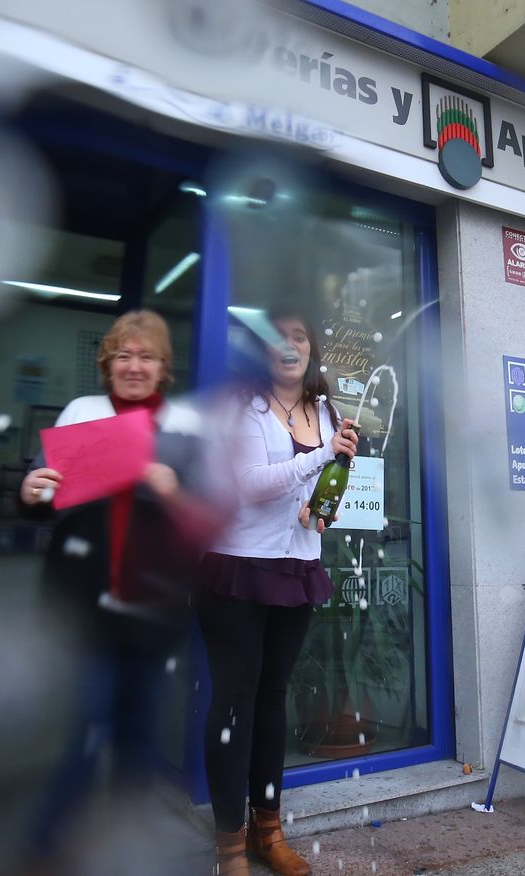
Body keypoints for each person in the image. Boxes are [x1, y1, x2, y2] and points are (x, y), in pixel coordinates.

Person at [15, 309, 207, 874]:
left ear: (163, 367)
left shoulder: (186, 425)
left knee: (138, 742)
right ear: (107, 363)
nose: (134, 365)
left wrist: (175, 492)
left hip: (151, 612)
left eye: (146, 356)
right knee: (84, 731)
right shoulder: (84, 412)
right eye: (123, 355)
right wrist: (29, 488)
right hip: (85, 609)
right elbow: (40, 491)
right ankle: (46, 849)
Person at [200, 310, 358, 876]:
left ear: (311, 351)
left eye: (300, 336)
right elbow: (250, 485)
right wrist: (318, 456)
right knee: (235, 702)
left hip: (296, 567)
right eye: (278, 337)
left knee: (271, 701)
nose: (289, 346)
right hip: (239, 569)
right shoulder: (245, 407)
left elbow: (320, 491)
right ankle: (228, 848)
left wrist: (323, 511)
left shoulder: (327, 412)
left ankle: (269, 830)